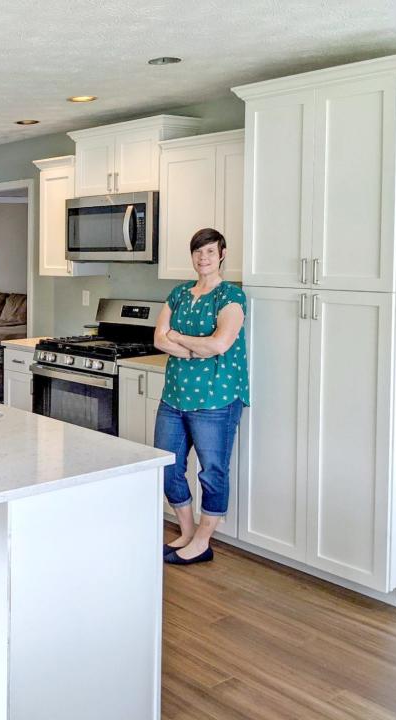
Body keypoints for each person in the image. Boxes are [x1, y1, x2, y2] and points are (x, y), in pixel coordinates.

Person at [153, 228, 249, 565]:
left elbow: (221, 343)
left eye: (210, 251)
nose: (203, 258)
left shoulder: (231, 297)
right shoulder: (179, 293)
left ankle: (203, 542)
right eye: (198, 252)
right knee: (167, 468)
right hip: (174, 395)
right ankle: (188, 532)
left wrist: (180, 338)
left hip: (216, 398)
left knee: (212, 471)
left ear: (222, 254)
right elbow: (159, 339)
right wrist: (197, 348)